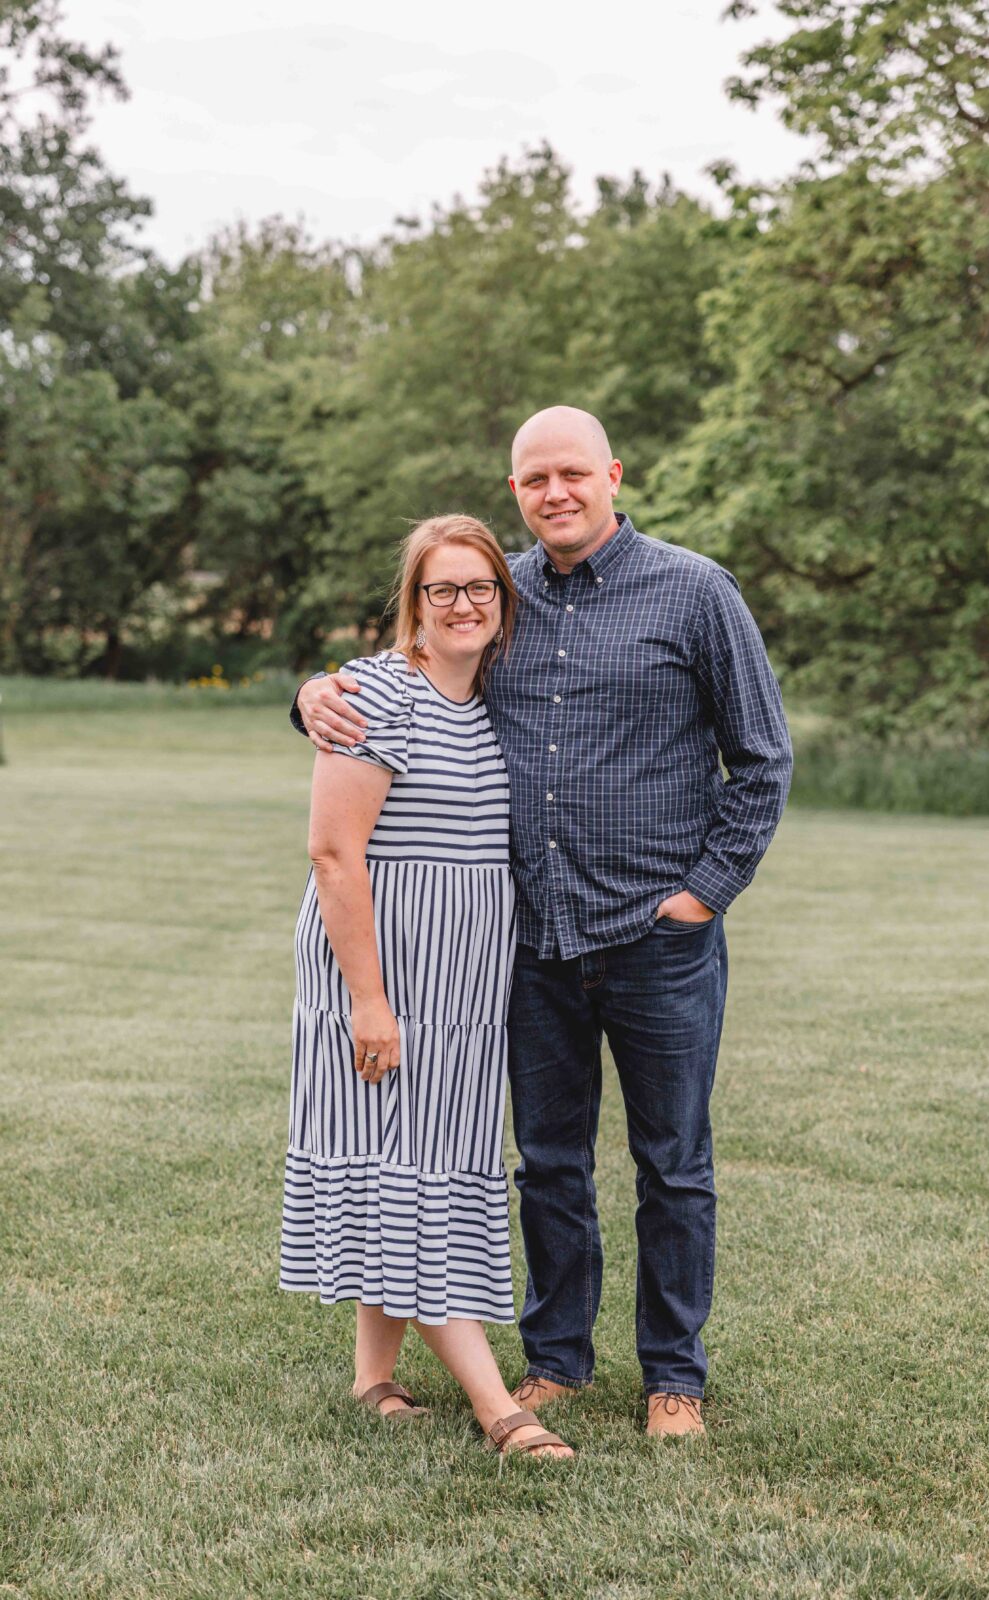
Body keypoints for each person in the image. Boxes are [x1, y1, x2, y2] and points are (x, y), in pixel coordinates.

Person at [294, 407, 792, 1437]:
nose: (555, 492)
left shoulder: (695, 592)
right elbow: (403, 674)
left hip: (657, 938)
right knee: (550, 1165)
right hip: (532, 944)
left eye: (573, 472)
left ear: (613, 475)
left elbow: (761, 757)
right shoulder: (498, 595)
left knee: (672, 1165)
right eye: (534, 479)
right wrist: (309, 696)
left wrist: (701, 894)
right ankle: (556, 1361)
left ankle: (673, 1378)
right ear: (514, 491)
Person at [280, 512, 573, 1460]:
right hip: (385, 971)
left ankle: (373, 1377)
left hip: (465, 985)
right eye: (440, 588)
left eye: (479, 588)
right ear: (413, 601)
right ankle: (497, 1409)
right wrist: (369, 1002)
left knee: (410, 1169)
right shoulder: (378, 693)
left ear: (502, 601)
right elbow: (333, 854)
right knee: (411, 1177)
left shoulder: (489, 697)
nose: (462, 604)